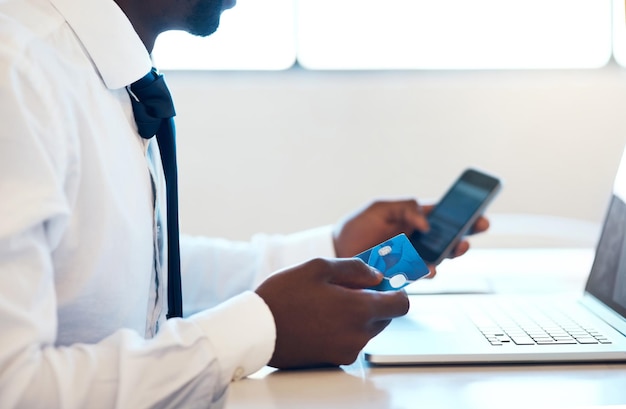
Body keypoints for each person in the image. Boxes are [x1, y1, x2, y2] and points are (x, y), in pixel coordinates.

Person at [0, 0, 489, 407]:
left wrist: (331, 249)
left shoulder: (86, 66)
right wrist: (261, 328)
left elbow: (129, 272)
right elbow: (15, 388)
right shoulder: (16, 71)